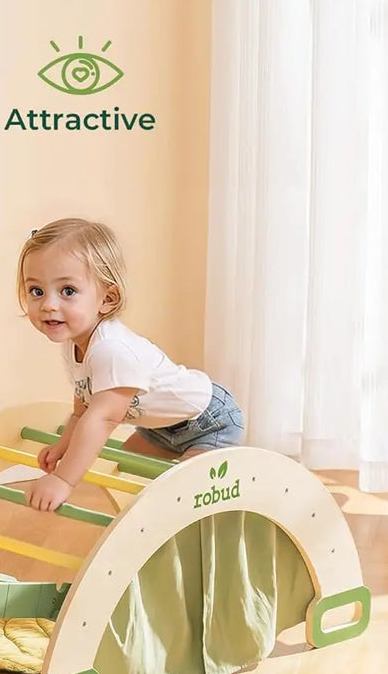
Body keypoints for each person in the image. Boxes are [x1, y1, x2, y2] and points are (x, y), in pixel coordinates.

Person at [16, 218, 244, 512]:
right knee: (126, 471)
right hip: (160, 428)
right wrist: (64, 447)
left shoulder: (111, 350)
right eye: (36, 291)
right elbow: (83, 411)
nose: (48, 305)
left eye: (68, 291)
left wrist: (63, 480)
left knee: (185, 495)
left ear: (107, 298)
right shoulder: (75, 345)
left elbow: (102, 419)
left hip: (208, 420)